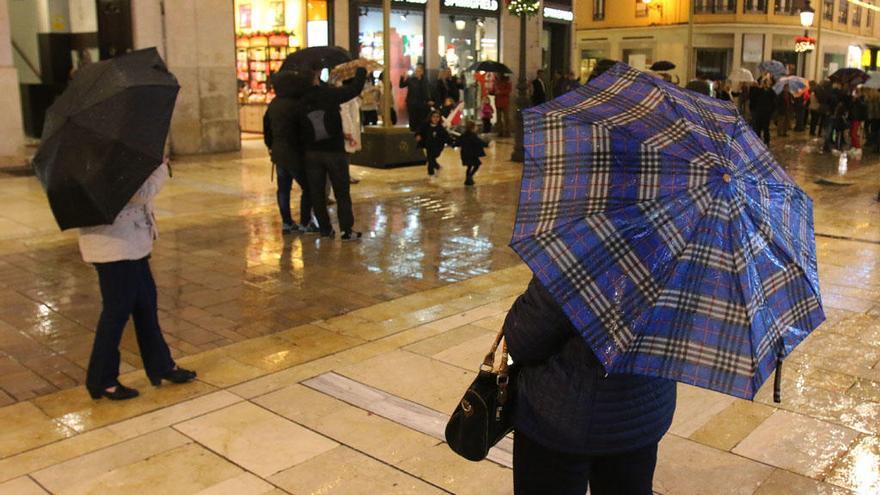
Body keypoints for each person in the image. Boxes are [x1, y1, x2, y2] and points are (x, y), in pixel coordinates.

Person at [80, 162, 197, 400]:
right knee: (116, 312)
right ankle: (101, 379)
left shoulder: (108, 153)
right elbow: (141, 194)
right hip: (114, 247)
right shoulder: (102, 159)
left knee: (145, 303)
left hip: (129, 242)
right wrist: (161, 168)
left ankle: (162, 365)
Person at [299, 66, 367, 240]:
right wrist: (360, 72)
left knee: (317, 192)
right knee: (342, 191)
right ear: (315, 76)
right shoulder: (328, 93)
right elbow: (354, 90)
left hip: (312, 152)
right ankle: (346, 230)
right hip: (334, 151)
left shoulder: (301, 99)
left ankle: (325, 229)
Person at [264, 70, 316, 234]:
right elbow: (303, 129)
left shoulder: (274, 104)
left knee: (283, 189)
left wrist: (271, 145)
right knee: (308, 187)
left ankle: (287, 222)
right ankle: (305, 222)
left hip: (278, 153)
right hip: (295, 153)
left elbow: (267, 130)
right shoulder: (297, 104)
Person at [416, 110, 451, 176]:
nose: (435, 118)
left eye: (437, 117)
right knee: (430, 158)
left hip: (437, 147)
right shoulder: (426, 125)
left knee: (431, 158)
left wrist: (453, 143)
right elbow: (419, 131)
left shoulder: (440, 128)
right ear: (430, 117)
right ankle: (431, 173)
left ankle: (436, 167)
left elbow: (446, 137)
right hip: (428, 146)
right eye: (434, 117)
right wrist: (418, 135)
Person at [400, 63, 434, 131]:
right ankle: (413, 133)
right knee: (413, 120)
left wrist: (429, 100)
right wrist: (402, 78)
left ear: (422, 71)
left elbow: (426, 92)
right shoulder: (411, 79)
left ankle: (420, 134)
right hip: (412, 103)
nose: (417, 71)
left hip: (421, 104)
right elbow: (401, 85)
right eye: (416, 70)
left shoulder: (425, 80)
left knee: (421, 120)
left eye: (419, 70)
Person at [458, 120, 488, 186]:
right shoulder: (472, 135)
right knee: (476, 165)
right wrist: (486, 144)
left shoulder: (464, 134)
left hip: (465, 154)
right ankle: (469, 177)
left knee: (469, 166)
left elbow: (458, 141)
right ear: (472, 127)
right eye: (475, 126)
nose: (476, 127)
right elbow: (479, 142)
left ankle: (468, 180)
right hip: (471, 154)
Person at [749, 77, 776, 145]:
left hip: (767, 113)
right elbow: (752, 98)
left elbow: (774, 101)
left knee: (766, 128)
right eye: (764, 82)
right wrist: (757, 87)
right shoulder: (758, 90)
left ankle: (766, 141)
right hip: (759, 111)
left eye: (767, 82)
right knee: (758, 127)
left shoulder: (771, 91)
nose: (765, 83)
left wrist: (771, 111)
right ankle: (758, 141)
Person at [850, 87, 867, 158]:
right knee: (852, 133)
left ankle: (858, 147)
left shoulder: (862, 99)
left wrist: (857, 99)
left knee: (854, 133)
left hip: (857, 118)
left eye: (857, 92)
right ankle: (854, 146)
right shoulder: (855, 99)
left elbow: (864, 107)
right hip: (853, 117)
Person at [494, 73, 512, 137]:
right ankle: (500, 132)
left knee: (506, 118)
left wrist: (500, 92)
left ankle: (507, 132)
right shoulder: (496, 82)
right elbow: (494, 90)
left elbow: (509, 90)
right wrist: (492, 91)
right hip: (498, 102)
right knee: (499, 119)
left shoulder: (507, 81)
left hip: (504, 102)